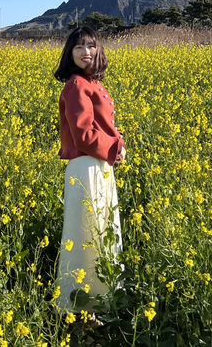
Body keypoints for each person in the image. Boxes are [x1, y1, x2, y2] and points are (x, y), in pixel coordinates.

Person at [53, 26, 125, 314]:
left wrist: (114, 144)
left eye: (91, 46)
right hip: (86, 167)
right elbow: (83, 135)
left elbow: (100, 128)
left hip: (99, 165)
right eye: (79, 47)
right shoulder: (76, 85)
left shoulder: (91, 83)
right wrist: (115, 146)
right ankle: (78, 305)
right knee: (85, 235)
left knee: (102, 233)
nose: (86, 52)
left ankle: (102, 301)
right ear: (70, 54)